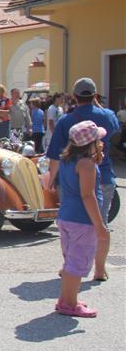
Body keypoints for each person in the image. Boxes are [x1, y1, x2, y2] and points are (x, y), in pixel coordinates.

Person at [45, 77, 120, 281]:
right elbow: (114, 130)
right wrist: (98, 106)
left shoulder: (65, 120)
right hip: (102, 175)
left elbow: (55, 155)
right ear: (95, 95)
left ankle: (70, 266)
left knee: (70, 224)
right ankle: (99, 269)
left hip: (69, 178)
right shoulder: (107, 115)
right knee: (100, 225)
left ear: (74, 97)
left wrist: (51, 179)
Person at [54, 120, 108, 317]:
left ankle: (67, 300)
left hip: (66, 216)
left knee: (70, 261)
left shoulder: (68, 160)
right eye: (98, 140)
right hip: (82, 220)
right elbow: (88, 195)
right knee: (78, 264)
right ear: (90, 144)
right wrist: (99, 224)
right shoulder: (86, 164)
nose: (101, 143)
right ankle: (70, 304)